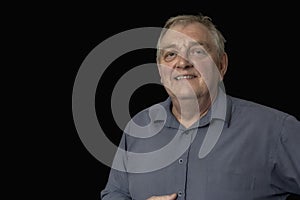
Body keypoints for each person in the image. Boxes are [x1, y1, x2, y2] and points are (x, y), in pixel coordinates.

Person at [100, 13, 300, 200]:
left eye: (197, 51)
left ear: (221, 65)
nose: (182, 62)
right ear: (160, 71)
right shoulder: (138, 127)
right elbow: (114, 193)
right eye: (170, 54)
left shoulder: (277, 130)